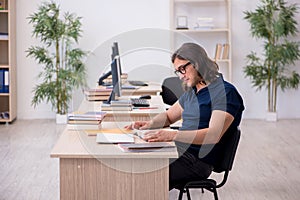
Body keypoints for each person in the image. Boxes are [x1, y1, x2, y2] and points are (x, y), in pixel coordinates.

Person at [125, 43, 244, 190]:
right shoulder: (194, 91)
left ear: (198, 63)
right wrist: (148, 124)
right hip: (178, 151)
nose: (181, 76)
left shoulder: (225, 93)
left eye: (183, 69)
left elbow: (213, 135)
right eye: (178, 71)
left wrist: (172, 135)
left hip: (197, 161)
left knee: (141, 174)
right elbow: (169, 116)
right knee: (132, 162)